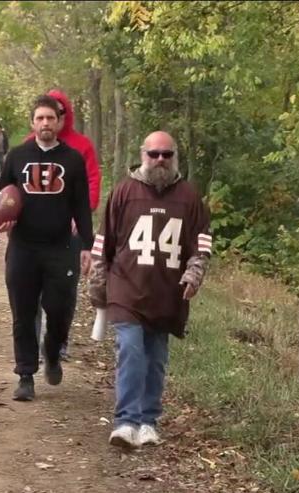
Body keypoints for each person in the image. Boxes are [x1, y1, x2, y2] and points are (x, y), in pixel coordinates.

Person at [88, 131, 212, 449]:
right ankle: (126, 421)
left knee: (155, 358)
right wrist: (98, 287)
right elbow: (104, 244)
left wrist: (193, 275)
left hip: (167, 293)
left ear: (175, 159)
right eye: (153, 154)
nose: (159, 160)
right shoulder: (124, 192)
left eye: (166, 155)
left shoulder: (189, 198)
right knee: (131, 349)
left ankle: (148, 421)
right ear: (142, 154)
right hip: (126, 288)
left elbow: (202, 245)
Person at [0, 95, 93, 402]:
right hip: (23, 247)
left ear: (59, 122)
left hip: (60, 247)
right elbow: (2, 198)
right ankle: (25, 374)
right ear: (32, 122)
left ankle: (52, 352)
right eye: (40, 118)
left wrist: (86, 246)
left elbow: (81, 207)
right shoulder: (17, 156)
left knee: (60, 311)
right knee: (22, 313)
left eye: (51, 118)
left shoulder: (72, 159)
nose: (46, 123)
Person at [25, 89, 102, 361]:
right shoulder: (28, 145)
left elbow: (92, 183)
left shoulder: (82, 146)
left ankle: (58, 342)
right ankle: (31, 347)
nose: (49, 122)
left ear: (64, 115)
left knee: (63, 294)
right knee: (30, 295)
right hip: (32, 237)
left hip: (69, 233)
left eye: (57, 113)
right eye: (42, 116)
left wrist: (79, 217)